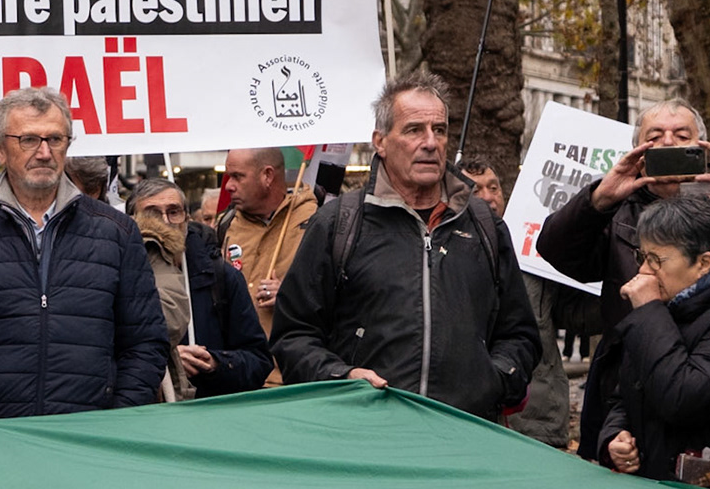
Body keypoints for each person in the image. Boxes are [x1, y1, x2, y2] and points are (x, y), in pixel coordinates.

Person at [270, 71, 541, 422]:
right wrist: (341, 377)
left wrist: (494, 380)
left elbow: (520, 334)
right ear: (380, 142)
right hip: (364, 431)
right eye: (414, 130)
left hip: (463, 432)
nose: (430, 142)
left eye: (439, 130)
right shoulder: (338, 224)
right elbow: (293, 336)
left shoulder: (484, 226)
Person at [0, 87, 168, 420]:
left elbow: (145, 343)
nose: (44, 152)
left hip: (90, 435)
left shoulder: (116, 233)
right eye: (29, 140)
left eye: (55, 139)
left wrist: (116, 419)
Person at [537, 98, 710, 460]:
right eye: (655, 136)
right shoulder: (619, 206)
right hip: (626, 387)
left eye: (682, 136)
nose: (668, 143)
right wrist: (598, 199)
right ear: (638, 151)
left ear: (703, 147)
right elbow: (556, 251)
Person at [599, 198, 710, 489]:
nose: (644, 271)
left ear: (703, 263)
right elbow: (626, 393)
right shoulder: (664, 306)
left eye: (656, 260)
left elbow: (684, 397)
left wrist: (648, 312)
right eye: (642, 257)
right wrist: (615, 437)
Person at [126, 176, 270, 399]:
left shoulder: (221, 277)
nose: (165, 221)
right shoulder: (119, 277)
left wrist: (215, 363)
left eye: (174, 212)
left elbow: (259, 362)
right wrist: (170, 361)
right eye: (152, 213)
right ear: (132, 220)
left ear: (187, 218)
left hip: (209, 410)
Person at [464, 152, 569, 447]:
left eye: (493, 187)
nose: (488, 197)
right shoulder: (440, 255)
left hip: (537, 422)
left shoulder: (535, 254)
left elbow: (576, 317)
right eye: (475, 190)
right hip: (471, 420)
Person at [216, 147, 318, 350]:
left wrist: (290, 296)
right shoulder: (226, 224)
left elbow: (340, 297)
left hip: (294, 362)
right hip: (241, 363)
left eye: (237, 176)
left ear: (268, 176)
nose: (228, 186)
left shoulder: (316, 221)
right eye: (228, 176)